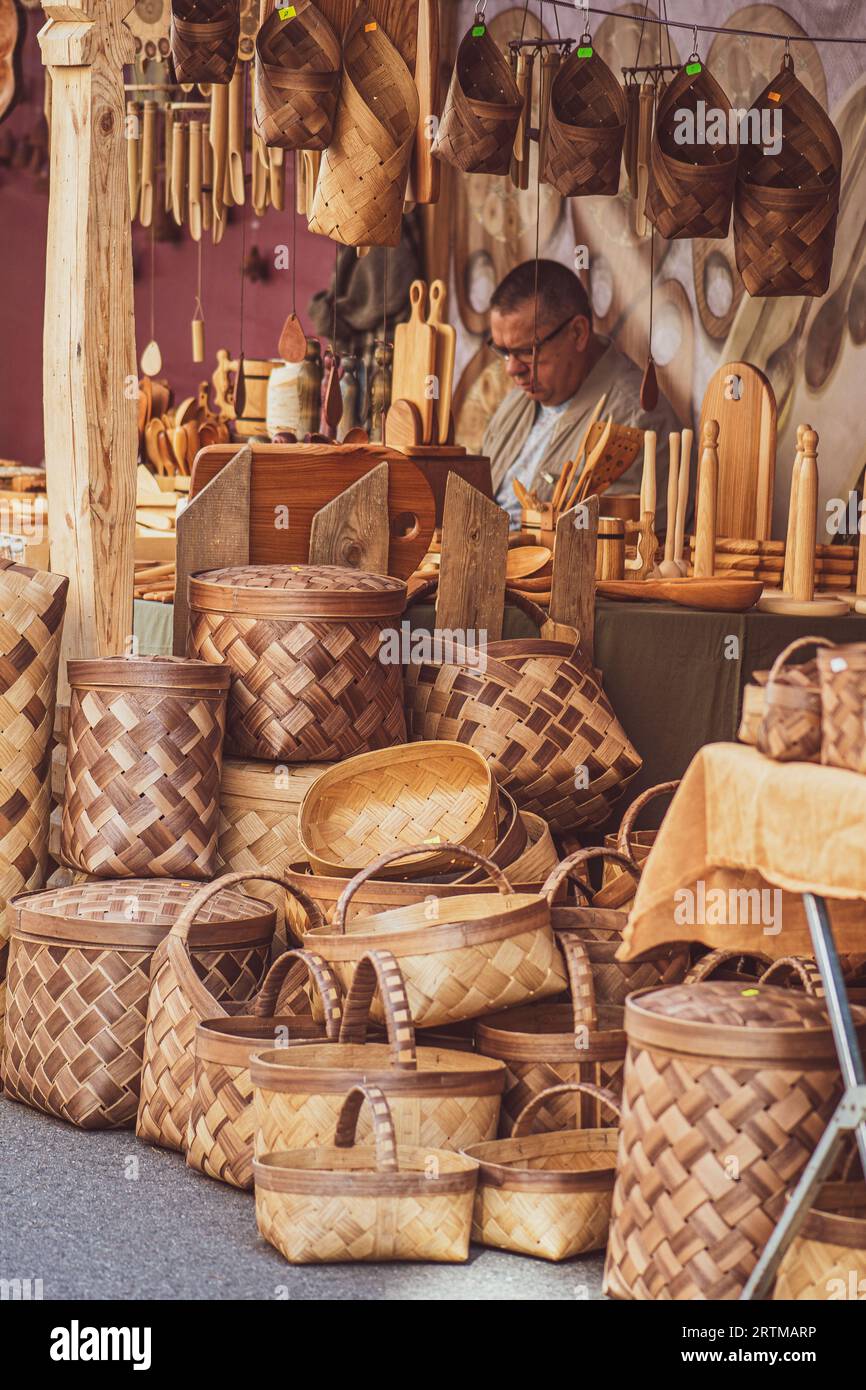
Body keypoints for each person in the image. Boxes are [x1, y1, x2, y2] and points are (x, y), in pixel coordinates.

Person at [483, 260, 685, 532]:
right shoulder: (516, 401)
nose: (511, 368)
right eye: (504, 352)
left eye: (527, 351)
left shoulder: (636, 419)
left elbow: (628, 546)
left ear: (577, 333)